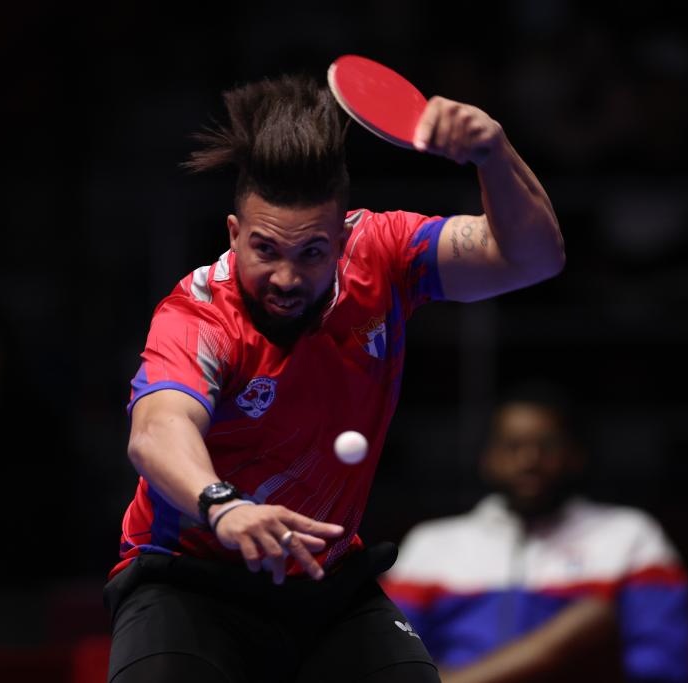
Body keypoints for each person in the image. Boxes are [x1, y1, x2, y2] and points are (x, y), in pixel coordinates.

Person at [104, 72, 564, 683]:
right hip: (188, 576)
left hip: (325, 583)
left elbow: (533, 258)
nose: (286, 278)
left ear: (342, 238)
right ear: (235, 234)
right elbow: (157, 430)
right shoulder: (199, 316)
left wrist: (493, 153)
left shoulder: (385, 253)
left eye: (312, 253)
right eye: (266, 250)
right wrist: (224, 506)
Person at [382, 383, 688, 683]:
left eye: (547, 446)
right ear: (487, 458)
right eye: (512, 446)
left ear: (576, 455)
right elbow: (392, 657)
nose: (529, 460)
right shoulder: (432, 543)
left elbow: (661, 666)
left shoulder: (630, 535)